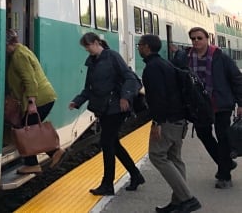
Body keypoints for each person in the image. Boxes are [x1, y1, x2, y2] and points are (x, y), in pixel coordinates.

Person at [69, 32, 144, 196]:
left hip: (116, 108)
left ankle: (107, 184)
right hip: (103, 108)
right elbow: (88, 88)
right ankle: (136, 175)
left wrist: (125, 97)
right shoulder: (92, 62)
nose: (87, 50)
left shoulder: (112, 57)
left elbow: (129, 77)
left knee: (107, 143)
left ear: (96, 43)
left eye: (88, 46)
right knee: (113, 144)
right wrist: (77, 101)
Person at [138, 34, 202, 213]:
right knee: (175, 159)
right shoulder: (166, 64)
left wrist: (157, 121)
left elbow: (159, 97)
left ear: (147, 47)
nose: (138, 48)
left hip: (167, 121)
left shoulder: (152, 68)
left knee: (157, 155)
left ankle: (188, 199)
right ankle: (178, 201)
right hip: (179, 120)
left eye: (140, 45)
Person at [186, 26, 242, 189]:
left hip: (220, 104)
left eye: (199, 38)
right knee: (204, 135)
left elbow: (237, 79)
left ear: (207, 39)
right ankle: (225, 163)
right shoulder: (187, 58)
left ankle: (225, 176)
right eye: (193, 38)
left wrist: (241, 103)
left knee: (223, 138)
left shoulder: (220, 58)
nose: (196, 41)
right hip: (200, 106)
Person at [5, 29, 65, 174]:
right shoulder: (22, 50)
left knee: (26, 131)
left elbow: (30, 80)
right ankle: (54, 153)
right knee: (29, 129)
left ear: (8, 44)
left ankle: (34, 163)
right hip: (43, 97)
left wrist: (31, 103)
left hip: (40, 99)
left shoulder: (18, 56)